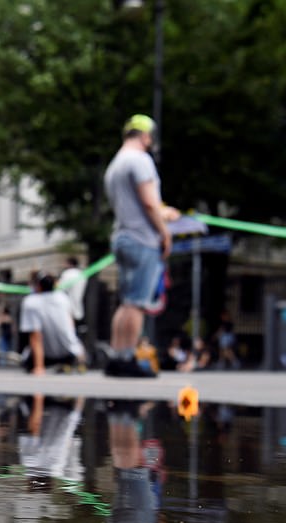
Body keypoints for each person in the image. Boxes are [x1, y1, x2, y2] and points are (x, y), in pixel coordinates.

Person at [103, 114, 181, 378]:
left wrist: (163, 211)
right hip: (142, 239)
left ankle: (117, 356)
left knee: (126, 303)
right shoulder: (140, 160)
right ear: (146, 136)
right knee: (137, 303)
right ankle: (128, 358)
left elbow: (140, 204)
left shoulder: (115, 165)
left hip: (123, 236)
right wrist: (165, 233)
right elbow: (149, 203)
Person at [19, 271, 86, 375]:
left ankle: (43, 364)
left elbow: (35, 336)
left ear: (38, 286)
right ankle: (77, 360)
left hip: (48, 355)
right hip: (71, 351)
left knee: (26, 362)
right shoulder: (63, 298)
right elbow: (71, 325)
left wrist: (39, 367)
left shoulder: (31, 302)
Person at [57, 256, 87, 334]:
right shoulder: (82, 274)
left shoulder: (67, 273)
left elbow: (60, 288)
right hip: (79, 308)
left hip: (68, 309)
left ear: (69, 264)